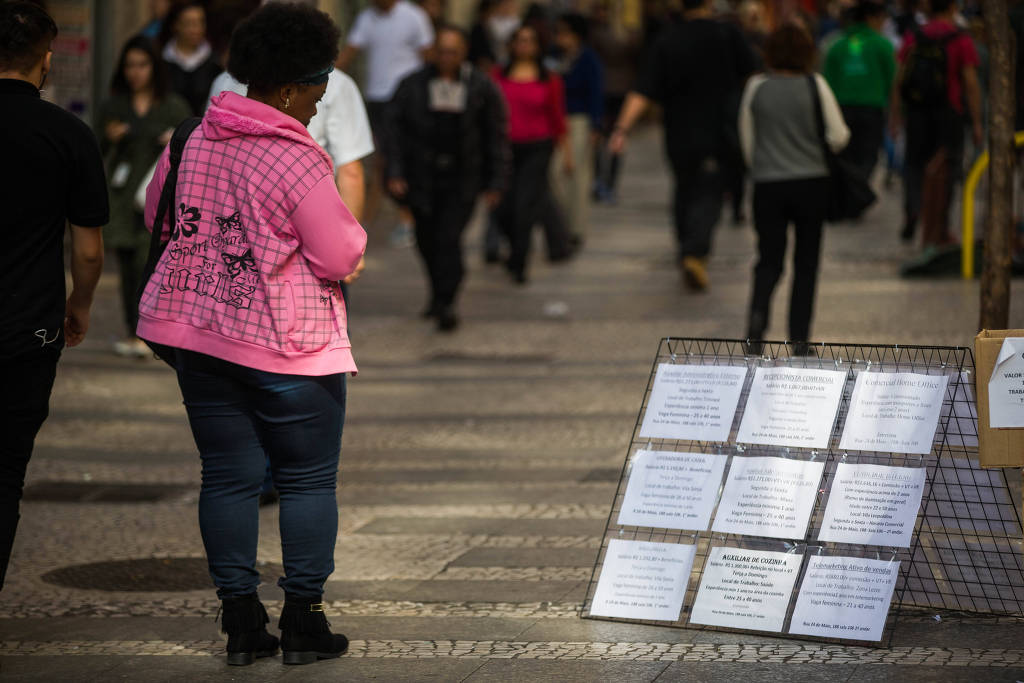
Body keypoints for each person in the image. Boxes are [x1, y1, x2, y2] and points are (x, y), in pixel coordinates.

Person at [140, 3, 366, 665]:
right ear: (291, 85)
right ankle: (304, 619)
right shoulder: (297, 160)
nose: (324, 97)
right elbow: (338, 254)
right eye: (321, 82)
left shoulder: (190, 137)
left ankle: (241, 621)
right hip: (291, 351)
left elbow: (159, 214)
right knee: (306, 481)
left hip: (202, 341)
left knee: (228, 478)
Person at [0, 1, 108, 589]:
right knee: (6, 473)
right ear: (45, 61)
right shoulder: (68, 134)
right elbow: (88, 252)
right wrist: (80, 304)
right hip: (27, 329)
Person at [610, 0, 756, 292]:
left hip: (678, 134)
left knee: (684, 188)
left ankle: (685, 247)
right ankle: (694, 251)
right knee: (710, 193)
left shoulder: (668, 39)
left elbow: (644, 88)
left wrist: (621, 128)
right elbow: (753, 77)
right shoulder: (727, 34)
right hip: (718, 132)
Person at [384, 26, 509, 331]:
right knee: (427, 241)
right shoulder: (412, 85)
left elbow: (496, 136)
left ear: (463, 53)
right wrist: (395, 172)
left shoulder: (481, 87)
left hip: (463, 178)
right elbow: (393, 133)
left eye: (453, 51)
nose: (446, 57)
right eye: (441, 50)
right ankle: (438, 295)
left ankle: (447, 302)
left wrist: (496, 181)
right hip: (422, 178)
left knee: (449, 240)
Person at [739, 25, 850, 349]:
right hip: (811, 184)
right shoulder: (815, 84)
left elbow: (748, 141)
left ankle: (756, 329)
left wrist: (765, 163)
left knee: (768, 259)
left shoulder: (755, 87)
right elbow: (839, 135)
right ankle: (799, 339)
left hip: (768, 185)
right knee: (806, 263)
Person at [97, 35, 190, 358]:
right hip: (123, 198)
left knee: (151, 263)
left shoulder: (173, 106)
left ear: (155, 67)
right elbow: (95, 150)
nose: (135, 72)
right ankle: (135, 331)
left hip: (161, 198)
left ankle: (155, 331)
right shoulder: (113, 106)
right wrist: (110, 138)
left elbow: (193, 152)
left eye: (142, 64)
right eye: (130, 65)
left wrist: (173, 142)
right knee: (128, 267)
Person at [338, 0, 434, 248]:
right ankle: (369, 217)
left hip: (407, 98)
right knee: (380, 159)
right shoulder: (367, 18)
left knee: (399, 156)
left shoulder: (414, 16)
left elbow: (428, 57)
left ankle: (406, 218)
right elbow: (348, 53)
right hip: (378, 98)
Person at [891, 0, 982, 245]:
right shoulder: (960, 39)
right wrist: (976, 122)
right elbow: (971, 83)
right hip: (949, 112)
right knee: (947, 168)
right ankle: (940, 226)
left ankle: (913, 209)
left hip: (917, 112)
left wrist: (895, 116)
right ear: (952, 8)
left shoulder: (913, 36)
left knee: (914, 164)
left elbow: (899, 79)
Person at [491, 24, 572, 284]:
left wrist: (567, 154)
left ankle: (519, 262)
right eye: (520, 40)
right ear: (512, 44)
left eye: (530, 40)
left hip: (538, 147)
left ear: (538, 46)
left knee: (526, 205)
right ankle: (514, 248)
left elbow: (558, 119)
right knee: (503, 207)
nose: (524, 45)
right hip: (505, 148)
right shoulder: (497, 76)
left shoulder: (549, 79)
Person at [823, 0, 895, 210]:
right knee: (868, 156)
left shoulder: (836, 46)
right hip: (871, 109)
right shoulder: (882, 45)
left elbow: (828, 81)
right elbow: (893, 79)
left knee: (847, 156)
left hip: (841, 109)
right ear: (872, 18)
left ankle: (851, 197)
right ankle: (858, 196)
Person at [552, 13, 603, 248]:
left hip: (578, 120)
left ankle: (575, 228)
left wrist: (595, 124)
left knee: (578, 175)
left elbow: (595, 92)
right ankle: (559, 224)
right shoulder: (554, 58)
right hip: (556, 120)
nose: (561, 38)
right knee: (555, 174)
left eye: (566, 33)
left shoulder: (587, 59)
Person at [590, 0, 641, 203]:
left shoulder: (599, 34)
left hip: (607, 90)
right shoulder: (630, 35)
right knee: (616, 138)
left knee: (602, 138)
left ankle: (601, 180)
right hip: (620, 90)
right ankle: (608, 182)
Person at [160, 0, 221, 115]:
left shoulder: (215, 62)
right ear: (175, 25)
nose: (196, 29)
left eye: (200, 22)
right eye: (189, 23)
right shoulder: (161, 60)